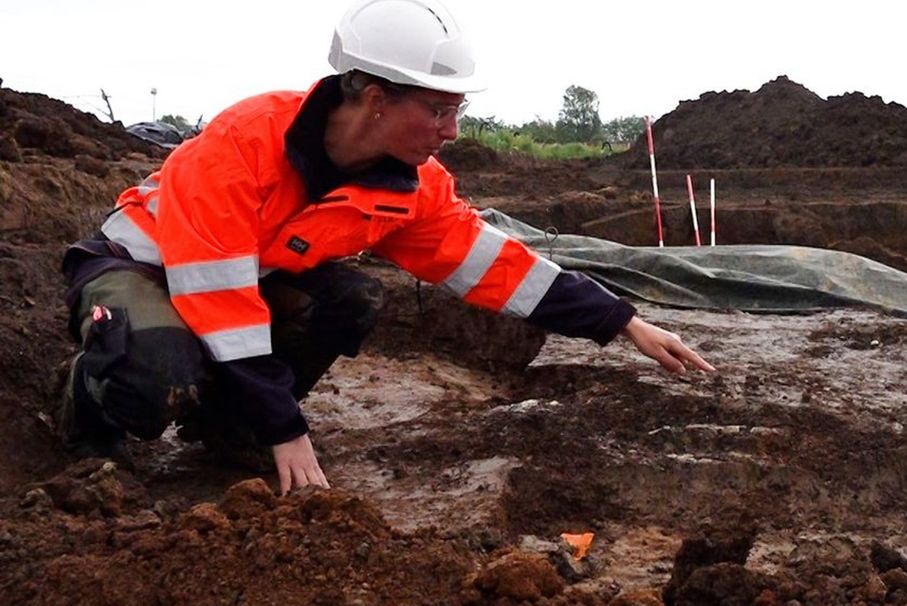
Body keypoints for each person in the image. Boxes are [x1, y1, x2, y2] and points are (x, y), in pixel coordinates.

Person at [55, 0, 714, 494]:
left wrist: (621, 319)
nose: (451, 131)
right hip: (141, 267)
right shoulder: (243, 143)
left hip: (235, 280)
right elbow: (219, 299)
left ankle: (230, 430)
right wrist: (288, 428)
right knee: (156, 371)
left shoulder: (411, 188)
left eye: (457, 112)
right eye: (438, 111)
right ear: (374, 99)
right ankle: (88, 418)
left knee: (349, 300)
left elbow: (492, 264)